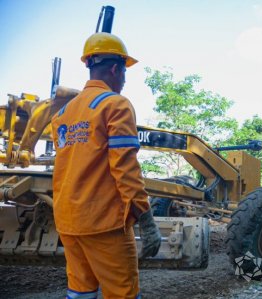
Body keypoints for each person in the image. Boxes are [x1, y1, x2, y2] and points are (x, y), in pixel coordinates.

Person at [51, 32, 161, 299]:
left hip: (68, 223)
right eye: (125, 72)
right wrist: (145, 218)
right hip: (104, 225)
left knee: (80, 292)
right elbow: (125, 168)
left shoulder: (62, 115)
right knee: (121, 293)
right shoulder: (116, 105)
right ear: (115, 69)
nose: (124, 80)